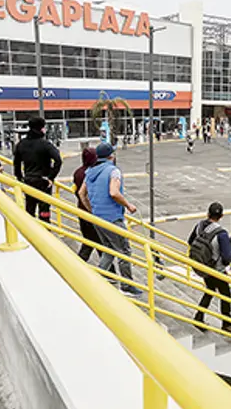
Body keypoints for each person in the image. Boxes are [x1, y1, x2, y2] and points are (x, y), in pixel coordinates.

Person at [78, 142, 144, 296]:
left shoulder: (89, 172)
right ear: (111, 156)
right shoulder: (113, 171)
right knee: (124, 251)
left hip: (98, 218)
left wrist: (92, 209)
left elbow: (81, 194)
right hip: (113, 218)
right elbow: (114, 192)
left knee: (109, 249)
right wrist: (128, 205)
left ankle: (98, 278)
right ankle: (127, 285)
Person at [188, 202, 231, 335]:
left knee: (210, 290)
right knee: (226, 295)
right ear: (221, 216)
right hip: (216, 270)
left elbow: (190, 241)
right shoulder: (221, 234)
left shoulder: (199, 226)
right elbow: (227, 258)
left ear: (208, 214)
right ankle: (226, 324)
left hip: (201, 267)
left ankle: (199, 317)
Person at [13, 116, 63, 223]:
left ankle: (30, 230)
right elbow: (58, 160)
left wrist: (19, 177)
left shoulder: (21, 144)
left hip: (28, 180)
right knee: (44, 208)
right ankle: (45, 229)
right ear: (41, 128)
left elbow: (16, 163)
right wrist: (51, 177)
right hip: (43, 181)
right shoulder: (45, 144)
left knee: (29, 208)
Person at [73, 147, 104, 261]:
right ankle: (110, 272)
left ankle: (109, 271)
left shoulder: (78, 172)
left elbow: (77, 191)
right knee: (98, 243)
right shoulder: (93, 173)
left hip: (81, 210)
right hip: (93, 211)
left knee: (89, 241)